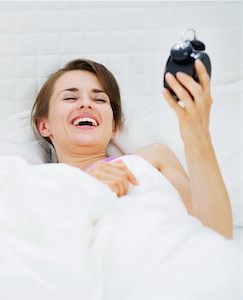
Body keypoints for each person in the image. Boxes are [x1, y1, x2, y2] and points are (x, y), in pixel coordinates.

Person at [31, 58, 233, 239]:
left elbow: (216, 235)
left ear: (113, 126)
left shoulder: (154, 159)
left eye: (99, 99)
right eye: (70, 98)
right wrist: (85, 187)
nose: (86, 104)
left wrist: (198, 137)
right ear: (44, 125)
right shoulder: (34, 182)